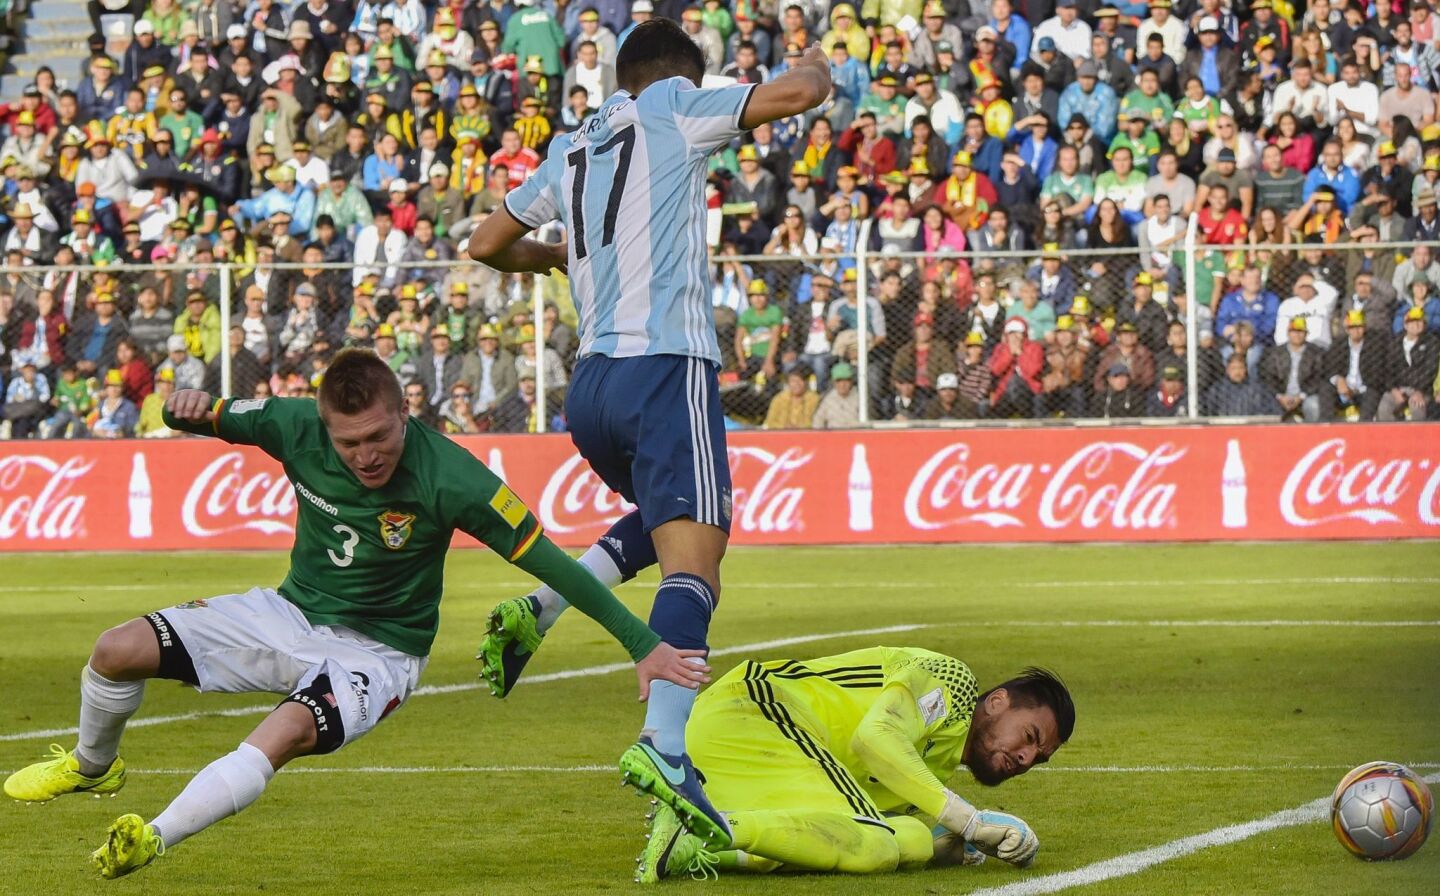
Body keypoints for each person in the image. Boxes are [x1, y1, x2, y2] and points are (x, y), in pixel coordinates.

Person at [3, 349, 704, 879]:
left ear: (405, 413)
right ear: (324, 428)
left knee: (283, 731)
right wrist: (176, 409)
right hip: (287, 614)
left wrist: (642, 643)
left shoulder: (453, 477)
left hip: (379, 654)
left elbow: (549, 562)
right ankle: (94, 767)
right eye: (349, 443)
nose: (367, 456)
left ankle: (153, 835)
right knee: (115, 648)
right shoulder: (290, 425)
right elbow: (206, 415)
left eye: (380, 437)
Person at [464, 19, 832, 846]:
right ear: (677, 76)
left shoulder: (573, 145)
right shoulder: (671, 104)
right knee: (699, 562)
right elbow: (800, 93)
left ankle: (543, 602)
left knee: (670, 526)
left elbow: (486, 243)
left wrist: (560, 259)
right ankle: (666, 744)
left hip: (591, 386)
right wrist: (819, 62)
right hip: (667, 365)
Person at [636, 650, 1073, 882]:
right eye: (1031, 737)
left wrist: (964, 843)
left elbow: (876, 820)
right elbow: (875, 737)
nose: (1026, 758)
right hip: (757, 711)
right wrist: (969, 820)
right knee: (879, 845)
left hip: (749, 757)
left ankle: (698, 834)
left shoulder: (930, 770)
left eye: (1039, 757)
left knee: (903, 840)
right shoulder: (951, 682)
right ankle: (713, 835)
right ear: (998, 702)